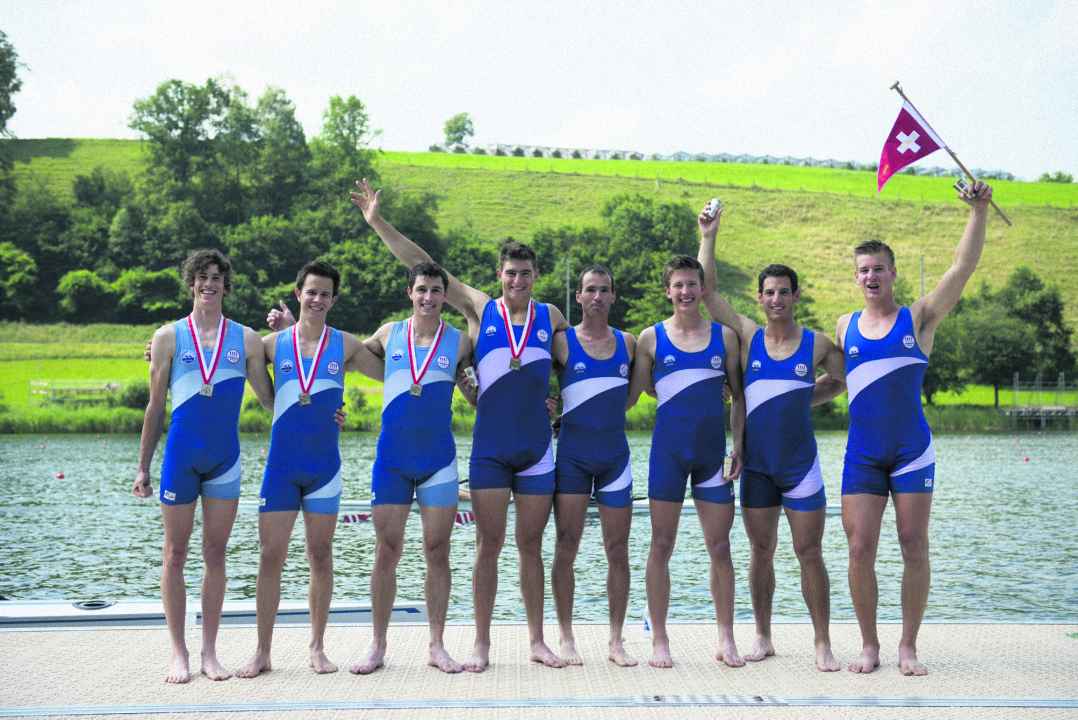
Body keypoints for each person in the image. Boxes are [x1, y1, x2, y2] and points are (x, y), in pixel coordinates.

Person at [351, 179, 569, 671]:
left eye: (526, 274)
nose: (518, 281)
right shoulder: (479, 309)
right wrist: (377, 222)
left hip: (537, 449)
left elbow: (577, 361)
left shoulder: (552, 315)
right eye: (510, 273)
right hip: (490, 450)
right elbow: (423, 264)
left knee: (531, 546)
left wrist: (559, 403)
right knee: (487, 546)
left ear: (536, 276)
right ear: (500, 275)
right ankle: (481, 644)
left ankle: (538, 641)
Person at [268, 261, 475, 675]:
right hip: (392, 461)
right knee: (387, 550)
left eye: (436, 290)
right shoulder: (386, 334)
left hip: (438, 460)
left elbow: (477, 393)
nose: (429, 297)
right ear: (409, 293)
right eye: (421, 289)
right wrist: (295, 329)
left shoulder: (460, 343)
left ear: (444, 296)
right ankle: (378, 645)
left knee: (438, 551)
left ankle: (437, 645)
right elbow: (329, 356)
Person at [822, 181, 994, 676]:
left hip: (911, 451)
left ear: (893, 273)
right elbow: (837, 382)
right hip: (862, 453)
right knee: (859, 548)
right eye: (863, 270)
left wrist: (978, 212)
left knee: (913, 544)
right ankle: (869, 646)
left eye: (878, 268)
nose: (871, 276)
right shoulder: (844, 326)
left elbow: (961, 269)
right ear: (855, 277)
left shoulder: (918, 318)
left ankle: (908, 646)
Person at [696, 204, 843, 672]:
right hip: (757, 466)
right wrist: (708, 236)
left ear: (795, 295)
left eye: (784, 292)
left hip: (801, 467)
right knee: (761, 551)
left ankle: (822, 642)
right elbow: (708, 291)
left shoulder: (818, 344)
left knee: (809, 552)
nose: (776, 299)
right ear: (760, 298)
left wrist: (805, 397)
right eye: (769, 292)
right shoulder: (749, 336)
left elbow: (843, 381)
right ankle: (762, 635)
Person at [237, 260, 383, 679]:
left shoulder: (347, 345)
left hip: (324, 468)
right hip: (282, 467)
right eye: (311, 292)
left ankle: (317, 647)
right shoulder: (269, 345)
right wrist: (156, 349)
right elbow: (223, 358)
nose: (317, 299)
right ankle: (262, 652)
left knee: (320, 555)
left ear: (334, 300)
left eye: (325, 294)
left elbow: (396, 371)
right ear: (298, 293)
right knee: (270, 556)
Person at [135, 249, 275, 683]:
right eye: (202, 277)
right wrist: (142, 468)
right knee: (174, 553)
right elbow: (155, 408)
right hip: (180, 458)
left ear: (225, 285)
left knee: (216, 553)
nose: (209, 284)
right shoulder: (167, 337)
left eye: (216, 277)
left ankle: (209, 652)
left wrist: (324, 411)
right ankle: (178, 652)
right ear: (191, 283)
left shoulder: (247, 340)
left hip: (224, 461)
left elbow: (270, 400)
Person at [627, 255, 745, 669]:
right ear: (667, 291)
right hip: (669, 456)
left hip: (712, 457)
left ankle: (726, 637)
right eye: (677, 285)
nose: (685, 291)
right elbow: (636, 392)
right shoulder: (650, 339)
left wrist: (739, 445)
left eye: (692, 283)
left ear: (702, 288)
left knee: (720, 546)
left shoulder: (725, 338)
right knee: (661, 545)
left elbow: (739, 396)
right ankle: (659, 639)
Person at [549, 265, 637, 667]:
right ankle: (566, 636)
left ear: (613, 296)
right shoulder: (562, 342)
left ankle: (616, 640)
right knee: (566, 546)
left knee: (617, 550)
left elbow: (635, 395)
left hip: (615, 458)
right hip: (573, 458)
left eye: (604, 290)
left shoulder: (629, 343)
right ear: (579, 297)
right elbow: (529, 379)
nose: (597, 296)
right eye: (590, 290)